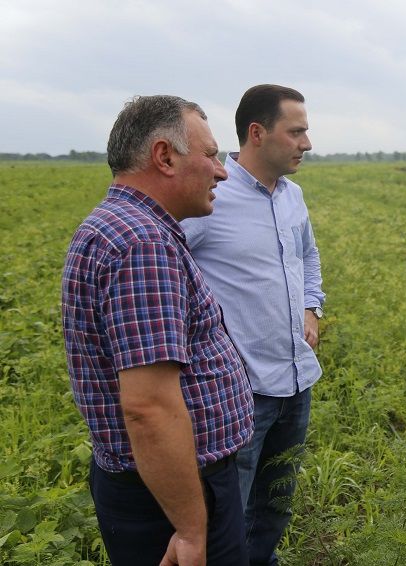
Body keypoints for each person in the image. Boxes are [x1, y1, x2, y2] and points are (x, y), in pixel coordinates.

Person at [62, 95, 254, 566]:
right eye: (210, 155)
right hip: (170, 497)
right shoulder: (143, 243)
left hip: (156, 487)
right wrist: (189, 530)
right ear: (165, 157)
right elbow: (149, 407)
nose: (222, 172)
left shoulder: (119, 226)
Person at [181, 84, 325, 566]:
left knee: (275, 504)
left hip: (296, 381)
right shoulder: (211, 197)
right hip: (239, 390)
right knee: (230, 510)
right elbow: (168, 272)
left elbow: (308, 256)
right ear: (258, 133)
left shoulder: (293, 196)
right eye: (296, 131)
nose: (306, 143)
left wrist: (311, 308)